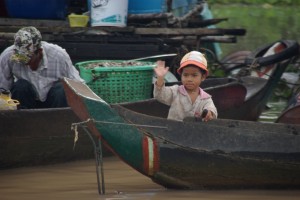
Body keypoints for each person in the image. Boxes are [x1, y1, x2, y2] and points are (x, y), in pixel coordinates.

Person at [0, 26, 84, 109]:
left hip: (53, 102)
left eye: (27, 59)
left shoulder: (58, 55)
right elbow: (3, 88)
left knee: (61, 89)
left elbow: (77, 84)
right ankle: (23, 120)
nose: (24, 62)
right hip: (27, 101)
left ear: (39, 52)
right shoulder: (7, 56)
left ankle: (58, 121)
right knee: (20, 86)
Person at [153, 50, 217, 121]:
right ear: (181, 75)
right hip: (173, 129)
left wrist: (209, 113)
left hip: (195, 131)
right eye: (185, 75)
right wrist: (160, 78)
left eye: (194, 75)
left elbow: (212, 110)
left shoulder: (206, 98)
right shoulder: (175, 91)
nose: (189, 79)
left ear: (203, 77)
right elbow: (160, 95)